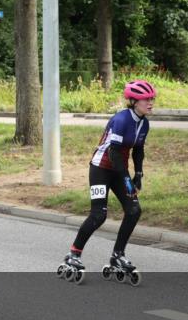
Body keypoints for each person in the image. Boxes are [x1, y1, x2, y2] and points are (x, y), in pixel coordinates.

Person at [58, 79, 155, 285]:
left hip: (120, 171)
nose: (151, 102)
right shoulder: (121, 120)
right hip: (101, 169)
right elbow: (113, 153)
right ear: (135, 101)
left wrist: (138, 174)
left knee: (134, 210)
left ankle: (117, 255)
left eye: (152, 99)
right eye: (147, 99)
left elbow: (138, 150)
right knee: (99, 214)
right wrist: (127, 180)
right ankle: (74, 254)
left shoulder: (144, 123)